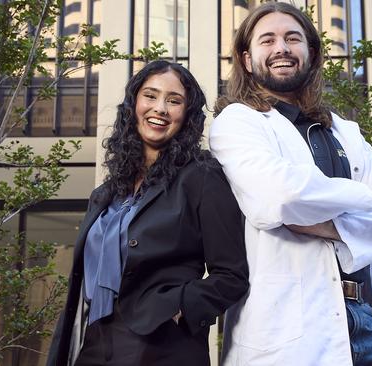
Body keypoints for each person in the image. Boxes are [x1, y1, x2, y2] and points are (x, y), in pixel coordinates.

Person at [210, 2, 372, 366]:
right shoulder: (238, 122)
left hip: (369, 323)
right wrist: (363, 198)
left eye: (293, 38)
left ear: (311, 53)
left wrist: (325, 221)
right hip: (290, 332)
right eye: (268, 40)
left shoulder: (345, 131)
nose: (281, 48)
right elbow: (283, 197)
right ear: (247, 60)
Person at [47, 60, 250, 366]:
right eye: (150, 96)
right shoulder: (106, 193)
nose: (160, 108)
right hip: (95, 338)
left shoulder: (202, 176)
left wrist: (177, 307)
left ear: (187, 114)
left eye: (174, 100)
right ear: (134, 104)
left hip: (162, 343)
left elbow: (232, 275)